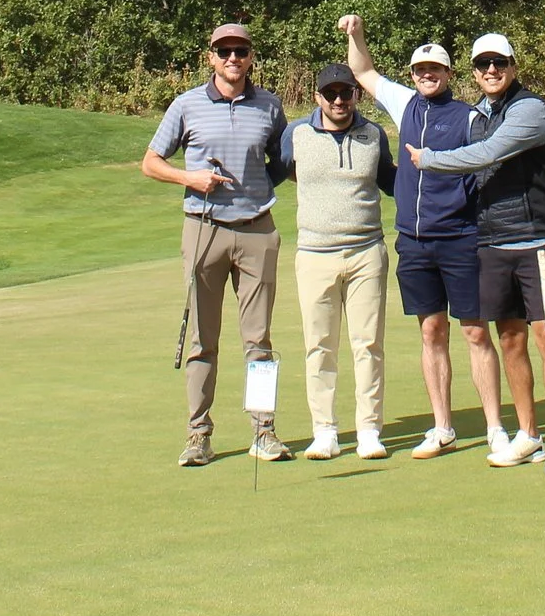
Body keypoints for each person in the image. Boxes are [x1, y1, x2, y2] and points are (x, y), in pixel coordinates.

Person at [406, 33, 545, 485]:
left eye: (498, 62)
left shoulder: (532, 111)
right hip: (493, 243)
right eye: (482, 64)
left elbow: (488, 154)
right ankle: (529, 434)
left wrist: (430, 160)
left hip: (536, 239)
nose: (490, 71)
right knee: (510, 341)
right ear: (474, 71)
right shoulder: (479, 114)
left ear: (513, 66)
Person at [340, 14, 507, 461]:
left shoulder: (470, 116)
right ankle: (442, 427)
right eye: (420, 71)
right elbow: (363, 72)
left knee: (474, 332)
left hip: (460, 237)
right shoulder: (406, 104)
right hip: (413, 241)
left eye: (435, 70)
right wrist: (357, 34)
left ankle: (495, 427)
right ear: (413, 76)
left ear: (449, 75)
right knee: (431, 331)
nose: (427, 76)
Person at [142, 23, 290, 468]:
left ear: (250, 56)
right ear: (210, 57)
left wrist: (259, 187)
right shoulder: (186, 104)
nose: (232, 58)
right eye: (223, 51)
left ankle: (263, 431)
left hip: (257, 230)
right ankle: (198, 434)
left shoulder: (269, 105)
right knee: (203, 340)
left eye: (240, 51)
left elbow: (280, 161)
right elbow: (151, 162)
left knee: (258, 340)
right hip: (203, 229)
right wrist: (191, 178)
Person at [276, 64, 395, 460]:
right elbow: (271, 174)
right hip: (314, 254)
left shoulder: (373, 135)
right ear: (318, 97)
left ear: (355, 96)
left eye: (346, 93)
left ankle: (368, 430)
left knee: (368, 345)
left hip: (367, 253)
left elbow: (392, 183)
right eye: (332, 94)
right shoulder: (297, 134)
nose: (340, 100)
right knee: (320, 346)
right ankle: (325, 430)